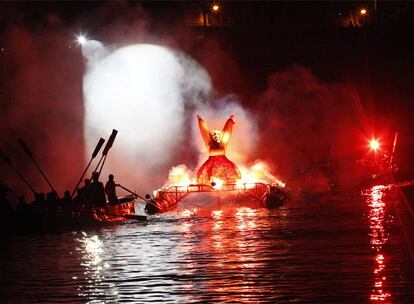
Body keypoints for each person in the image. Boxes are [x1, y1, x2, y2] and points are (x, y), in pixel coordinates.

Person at [196, 114, 241, 184]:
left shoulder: (223, 143)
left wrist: (229, 120)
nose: (216, 136)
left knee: (228, 174)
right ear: (212, 137)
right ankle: (210, 183)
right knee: (208, 177)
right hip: (211, 164)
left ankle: (226, 182)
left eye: (217, 135)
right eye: (214, 135)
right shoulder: (209, 143)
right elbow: (204, 131)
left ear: (220, 136)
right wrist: (200, 120)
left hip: (224, 163)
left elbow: (227, 131)